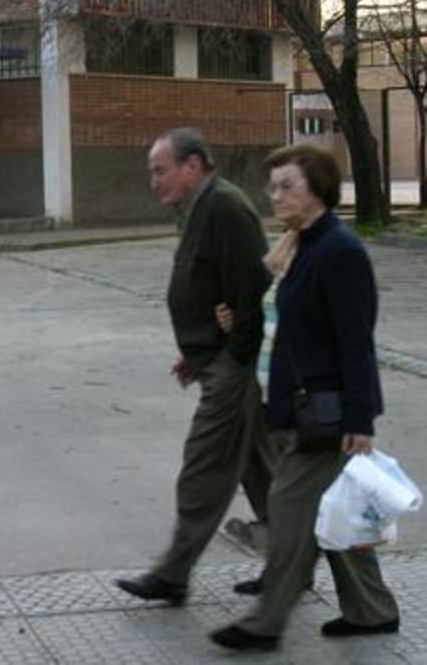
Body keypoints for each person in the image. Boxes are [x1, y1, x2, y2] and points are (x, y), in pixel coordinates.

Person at [210, 145, 400, 652]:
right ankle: (371, 611)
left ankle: (265, 622)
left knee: (289, 507)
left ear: (317, 189)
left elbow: (356, 341)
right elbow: (290, 323)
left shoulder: (340, 252)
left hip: (326, 412)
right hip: (296, 407)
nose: (275, 196)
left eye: (286, 186)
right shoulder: (301, 246)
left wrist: (361, 418)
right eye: (272, 187)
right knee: (334, 511)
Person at [114, 127, 275, 607]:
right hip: (221, 359)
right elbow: (211, 286)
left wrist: (232, 361)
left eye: (161, 170)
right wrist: (198, 350)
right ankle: (293, 566)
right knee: (263, 469)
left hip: (235, 369)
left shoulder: (224, 207)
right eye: (152, 171)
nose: (154, 181)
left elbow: (252, 289)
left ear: (194, 165)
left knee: (203, 470)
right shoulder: (196, 209)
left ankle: (173, 573)